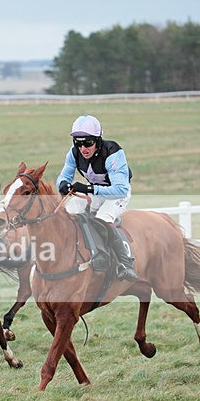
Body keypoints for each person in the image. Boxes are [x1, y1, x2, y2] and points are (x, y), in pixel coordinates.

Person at [55, 114, 138, 281]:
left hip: (116, 195)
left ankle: (125, 264)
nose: (83, 148)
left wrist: (88, 188)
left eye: (88, 143)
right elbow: (63, 176)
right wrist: (63, 184)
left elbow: (120, 189)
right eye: (78, 143)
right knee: (68, 213)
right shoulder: (73, 154)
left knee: (102, 218)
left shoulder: (113, 152)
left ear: (98, 141)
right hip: (95, 193)